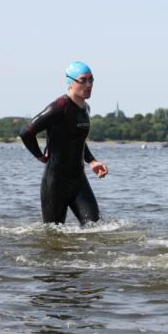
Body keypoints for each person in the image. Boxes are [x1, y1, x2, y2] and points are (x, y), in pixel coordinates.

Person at [20, 61, 108, 225]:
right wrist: (39, 155)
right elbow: (26, 132)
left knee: (95, 228)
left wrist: (92, 161)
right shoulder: (59, 107)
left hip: (78, 180)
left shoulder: (85, 108)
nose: (89, 85)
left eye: (91, 80)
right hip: (55, 183)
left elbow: (77, 138)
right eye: (83, 80)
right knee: (53, 236)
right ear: (70, 82)